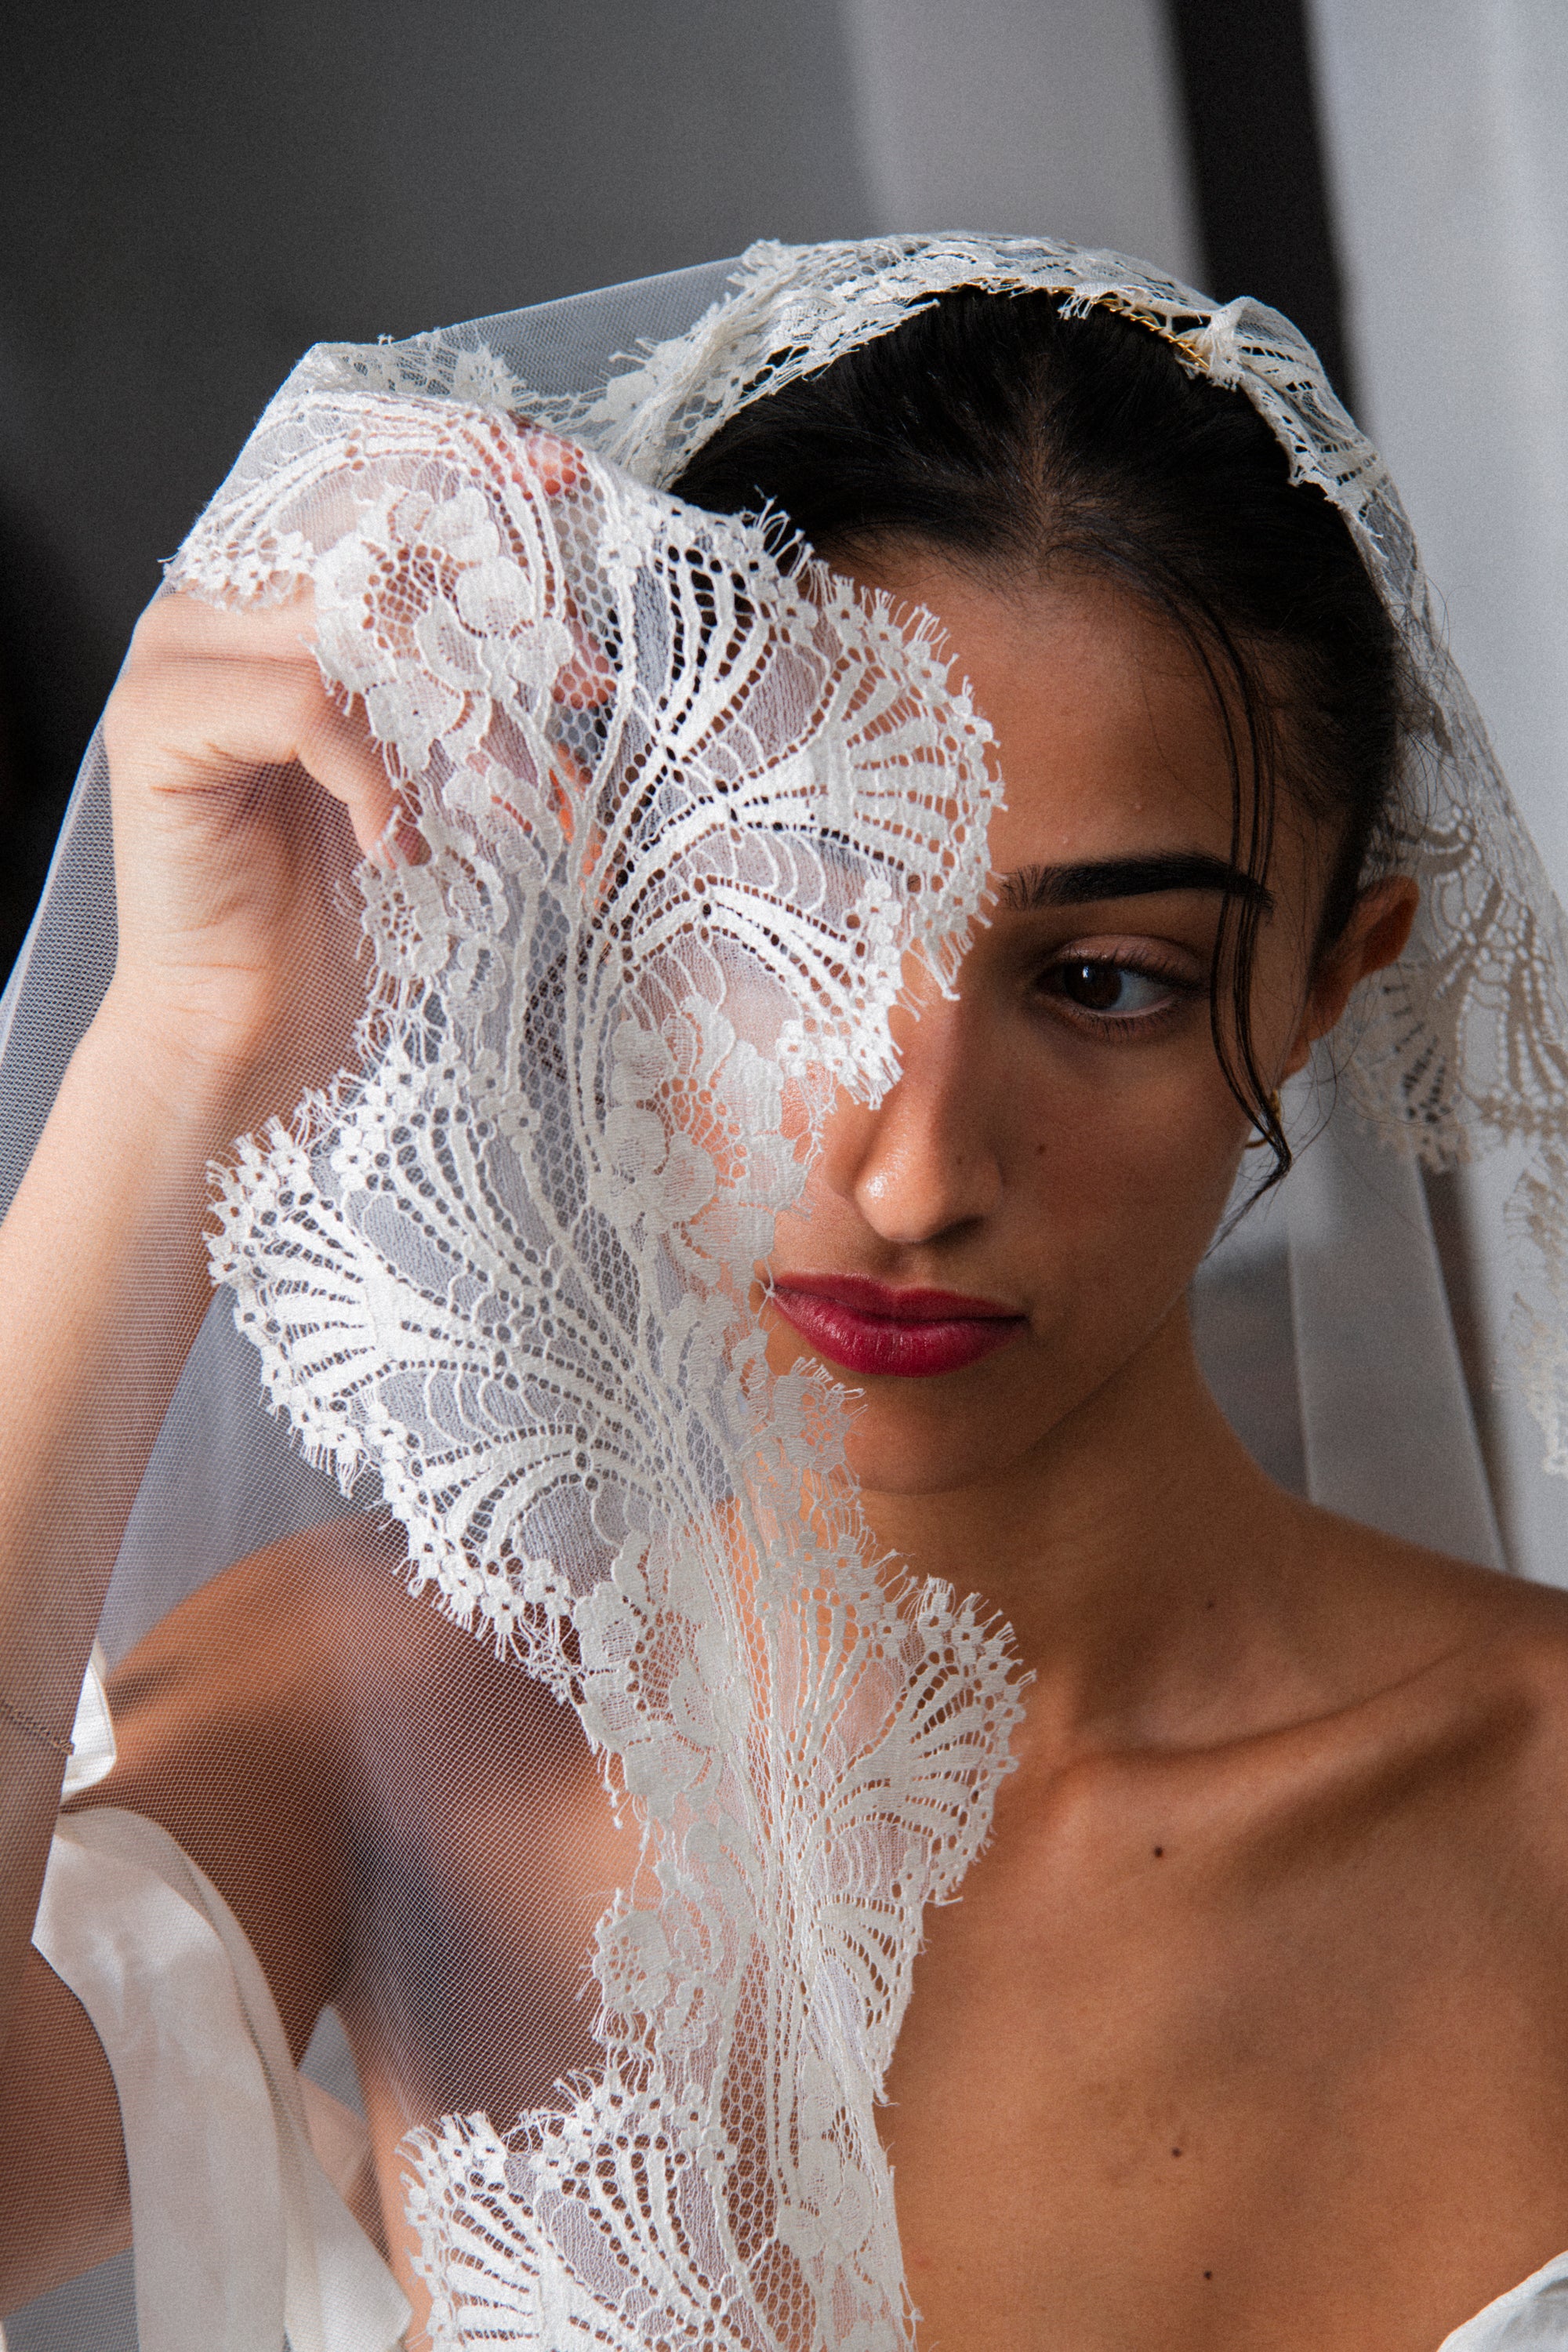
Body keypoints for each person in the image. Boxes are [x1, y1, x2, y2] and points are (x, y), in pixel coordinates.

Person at [0, 235, 1566, 2352]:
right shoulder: (377, 1729)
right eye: (780, 935)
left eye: (1108, 984)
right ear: (599, 900)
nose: (915, 1175)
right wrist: (179, 1042)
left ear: (1324, 990)